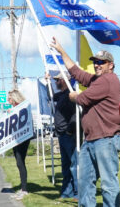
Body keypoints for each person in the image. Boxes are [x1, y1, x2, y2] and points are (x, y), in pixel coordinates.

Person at [50, 37, 120, 207]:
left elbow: (82, 98)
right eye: (96, 62)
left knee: (108, 183)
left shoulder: (108, 80)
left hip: (106, 139)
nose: (97, 64)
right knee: (84, 182)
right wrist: (61, 51)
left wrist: (73, 96)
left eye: (101, 62)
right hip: (90, 140)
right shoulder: (97, 80)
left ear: (110, 65)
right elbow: (76, 72)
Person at [50, 72, 78, 201]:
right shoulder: (61, 95)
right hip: (61, 135)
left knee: (74, 165)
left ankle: (78, 193)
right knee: (65, 165)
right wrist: (46, 83)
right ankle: (67, 192)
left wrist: (70, 131)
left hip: (68, 136)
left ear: (65, 80)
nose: (55, 82)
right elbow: (50, 96)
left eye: (57, 80)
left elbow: (75, 114)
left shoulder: (70, 94)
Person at [8, 89, 30, 200]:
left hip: (22, 138)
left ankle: (24, 189)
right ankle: (23, 188)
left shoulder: (22, 107)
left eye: (9, 98)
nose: (8, 100)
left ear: (15, 98)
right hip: (16, 139)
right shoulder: (15, 108)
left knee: (20, 162)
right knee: (18, 162)